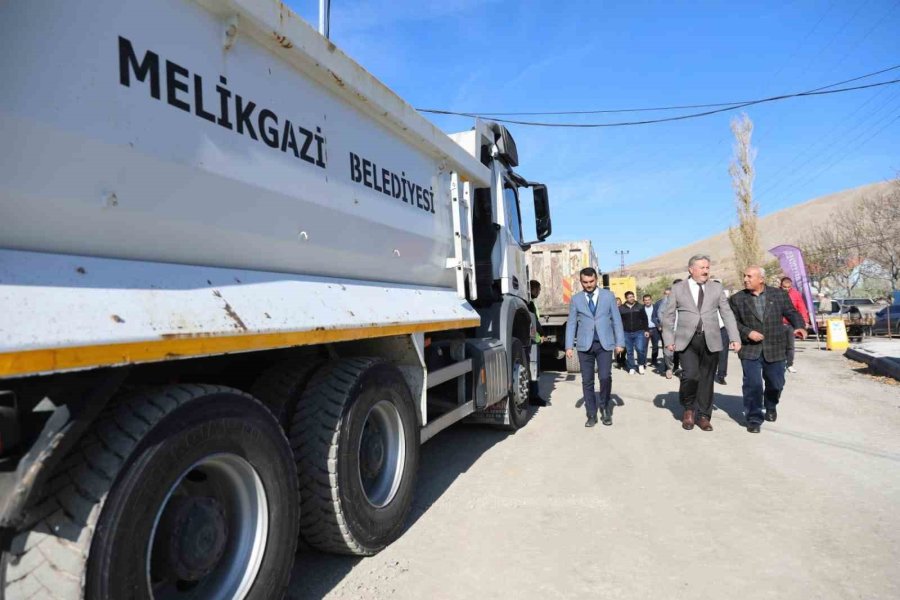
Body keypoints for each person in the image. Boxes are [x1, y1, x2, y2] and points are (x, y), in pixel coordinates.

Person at [661, 255, 740, 432]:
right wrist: (668, 340)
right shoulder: (678, 288)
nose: (706, 271)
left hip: (711, 338)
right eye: (702, 267)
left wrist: (734, 337)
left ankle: (704, 415)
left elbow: (727, 313)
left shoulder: (716, 288)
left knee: (706, 379)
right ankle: (689, 409)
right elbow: (669, 316)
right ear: (691, 269)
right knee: (690, 375)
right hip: (686, 339)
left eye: (707, 267)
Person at [730, 266, 806, 433]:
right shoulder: (737, 299)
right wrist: (747, 332)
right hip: (750, 349)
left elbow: (792, 312)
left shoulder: (778, 295)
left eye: (749, 276)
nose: (745, 279)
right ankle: (754, 419)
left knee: (776, 383)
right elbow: (732, 322)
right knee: (753, 385)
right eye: (744, 276)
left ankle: (771, 405)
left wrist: (799, 326)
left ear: (761, 279)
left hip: (776, 347)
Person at [565, 268, 625, 428]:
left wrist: (620, 343)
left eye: (591, 282)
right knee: (587, 381)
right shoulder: (576, 299)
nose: (589, 285)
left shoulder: (608, 296)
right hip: (585, 345)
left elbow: (617, 320)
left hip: (605, 344)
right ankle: (591, 413)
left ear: (596, 279)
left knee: (605, 377)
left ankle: (605, 407)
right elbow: (571, 323)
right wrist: (569, 346)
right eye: (585, 282)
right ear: (581, 281)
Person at [780, 277, 810, 374]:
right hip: (777, 324)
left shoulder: (796, 294)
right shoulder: (775, 293)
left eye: (789, 287)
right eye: (784, 287)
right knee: (778, 345)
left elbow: (801, 308)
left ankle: (789, 364)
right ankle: (778, 364)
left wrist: (805, 321)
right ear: (781, 286)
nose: (787, 289)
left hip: (790, 324)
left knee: (790, 345)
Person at [527, 280, 548, 406]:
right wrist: (543, 334)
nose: (539, 292)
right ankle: (534, 396)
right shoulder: (529, 303)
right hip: (533, 338)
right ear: (533, 289)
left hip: (531, 337)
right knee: (534, 367)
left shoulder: (529, 302)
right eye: (538, 289)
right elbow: (534, 320)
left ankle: (532, 394)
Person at [619, 291, 649, 374]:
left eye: (632, 296)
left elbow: (645, 319)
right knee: (629, 351)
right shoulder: (621, 308)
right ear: (626, 298)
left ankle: (640, 365)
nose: (631, 298)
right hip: (626, 333)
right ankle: (631, 367)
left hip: (639, 332)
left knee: (640, 349)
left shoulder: (640, 306)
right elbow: (619, 321)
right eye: (629, 297)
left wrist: (646, 330)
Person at [643, 294, 662, 368]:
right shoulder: (641, 309)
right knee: (644, 347)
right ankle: (643, 362)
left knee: (655, 346)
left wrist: (659, 325)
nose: (647, 301)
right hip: (645, 329)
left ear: (651, 300)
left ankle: (654, 361)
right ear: (643, 301)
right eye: (645, 300)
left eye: (648, 300)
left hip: (655, 329)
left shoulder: (656, 307)